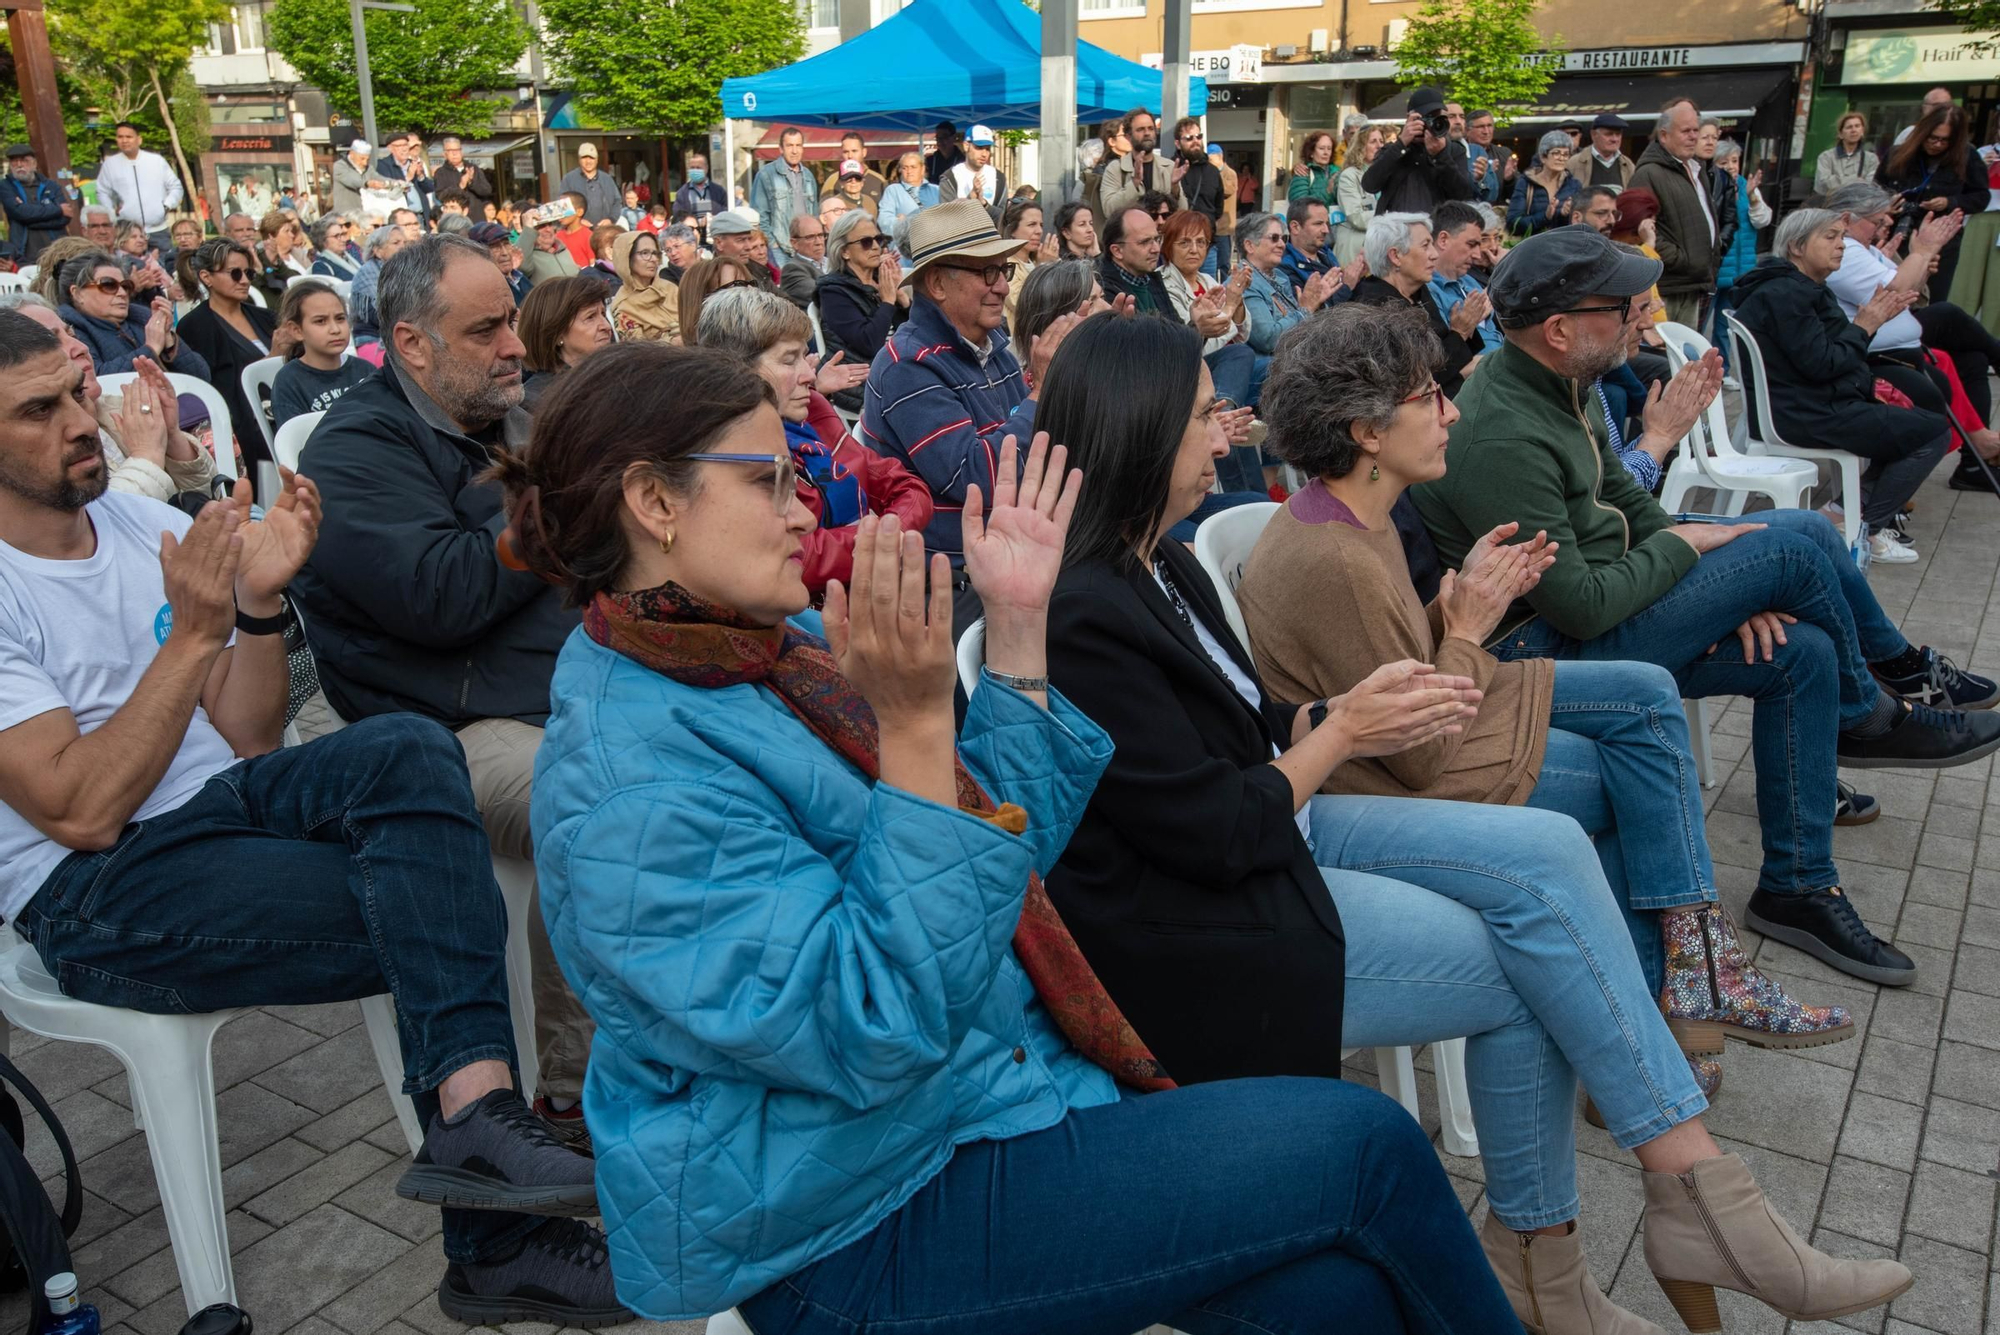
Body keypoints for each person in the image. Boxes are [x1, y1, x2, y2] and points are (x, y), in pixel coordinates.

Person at [482, 339, 1507, 1333]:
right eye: (768, 481)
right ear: (653, 501)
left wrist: (1015, 632)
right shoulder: (631, 785)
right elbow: (876, 1027)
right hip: (847, 1226)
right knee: (1368, 1147)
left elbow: (997, 868)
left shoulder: (751, 659)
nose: (806, 508)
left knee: (1345, 1299)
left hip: (964, 1115)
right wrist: (920, 730)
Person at [1033, 308, 1913, 1335]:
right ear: (1139, 433)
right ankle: (1612, 1231)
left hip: (1283, 826)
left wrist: (1333, 717)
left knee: (1553, 855)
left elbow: (1250, 727)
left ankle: (1651, 1203)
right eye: (1197, 416)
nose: (1221, 433)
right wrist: (1354, 717)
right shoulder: (1087, 604)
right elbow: (1211, 829)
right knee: (1543, 951)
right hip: (1198, 917)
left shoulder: (1163, 563)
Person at [0, 308, 622, 1329]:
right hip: (96, 890)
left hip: (221, 808)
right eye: (38, 410)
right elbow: (79, 810)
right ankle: (492, 1225)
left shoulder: (150, 527)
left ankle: (473, 1124)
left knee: (411, 746)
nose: (81, 421)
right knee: (434, 900)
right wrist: (197, 630)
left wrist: (250, 610)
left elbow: (246, 734)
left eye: (75, 395)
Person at [1239, 302, 1851, 1087]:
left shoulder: (1357, 513)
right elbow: (1417, 752)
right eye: (1430, 396)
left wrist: (1457, 610)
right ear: (1366, 430)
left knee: (1646, 691)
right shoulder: (1336, 556)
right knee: (1633, 775)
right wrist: (1467, 625)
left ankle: (1691, 978)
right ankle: (1670, 1004)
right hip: (1387, 777)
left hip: (1428, 719)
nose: (1450, 410)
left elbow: (1393, 658)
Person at [1412, 225, 2000, 988]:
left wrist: (1720, 578)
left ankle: (1797, 886)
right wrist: (1690, 553)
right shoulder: (1502, 431)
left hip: (1589, 615)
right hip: (1538, 652)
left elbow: (1624, 495)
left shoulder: (1559, 383)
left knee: (1801, 651)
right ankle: (1880, 701)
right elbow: (1584, 607)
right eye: (1620, 304)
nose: (1638, 313)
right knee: (1793, 542)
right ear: (1559, 330)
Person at [292, 236, 602, 1151]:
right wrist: (560, 500)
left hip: (553, 689)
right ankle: (575, 1099)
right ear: (412, 345)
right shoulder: (356, 444)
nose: (516, 344)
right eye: (488, 328)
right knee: (591, 803)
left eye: (513, 319)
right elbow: (440, 595)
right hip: (434, 728)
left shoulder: (505, 421)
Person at [859, 200, 1042, 630]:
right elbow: (977, 476)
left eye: (1005, 271)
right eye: (988, 272)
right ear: (938, 283)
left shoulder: (989, 339)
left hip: (1004, 555)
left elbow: (1028, 443)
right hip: (948, 586)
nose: (1001, 287)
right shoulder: (909, 363)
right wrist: (1044, 393)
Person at [1731, 209, 1950, 564]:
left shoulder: (1801, 288)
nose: (1841, 246)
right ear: (1797, 247)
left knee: (1914, 414)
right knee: (1933, 433)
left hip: (1810, 403)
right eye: (1830, 237)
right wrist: (1864, 325)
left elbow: (1827, 356)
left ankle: (1845, 513)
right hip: (1803, 413)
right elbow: (1822, 364)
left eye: (1842, 238)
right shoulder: (1787, 293)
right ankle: (1864, 527)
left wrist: (1873, 323)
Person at [695, 285, 932, 593]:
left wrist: (887, 531)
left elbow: (904, 486)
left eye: (804, 357)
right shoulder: (725, 450)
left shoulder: (811, 413)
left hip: (870, 587)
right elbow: (791, 553)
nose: (809, 375)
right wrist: (880, 540)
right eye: (789, 359)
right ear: (738, 369)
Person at [1822, 181, 2000, 494]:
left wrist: (1920, 262)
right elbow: (1899, 290)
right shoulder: (1845, 250)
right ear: (1850, 217)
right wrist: (1924, 251)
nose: (1887, 224)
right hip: (1873, 357)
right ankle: (1870, 505)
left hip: (1893, 349)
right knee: (1946, 318)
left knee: (1972, 357)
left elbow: (1910, 290)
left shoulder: (1861, 248)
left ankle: (1973, 462)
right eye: (1878, 221)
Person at [0, 293, 218, 500]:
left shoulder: (119, 407)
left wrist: (171, 437)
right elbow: (93, 522)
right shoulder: (29, 439)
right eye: (52, 342)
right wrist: (147, 455)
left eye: (72, 334)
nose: (81, 348)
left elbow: (210, 493)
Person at [1097, 205, 1262, 421]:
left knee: (1241, 357)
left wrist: (1200, 325)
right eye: (1145, 242)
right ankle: (1219, 418)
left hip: (1180, 374)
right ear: (1117, 251)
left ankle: (1221, 416)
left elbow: (1178, 339)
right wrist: (1206, 322)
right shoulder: (1103, 288)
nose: (1155, 248)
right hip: (1145, 388)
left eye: (1156, 239)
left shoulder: (1152, 281)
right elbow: (1146, 353)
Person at [1350, 213, 1483, 399]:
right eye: (1425, 245)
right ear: (1396, 256)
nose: (1434, 255)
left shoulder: (1416, 292)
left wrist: (1463, 330)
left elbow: (1442, 354)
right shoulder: (1373, 306)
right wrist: (1460, 332)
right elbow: (1415, 378)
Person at [1876, 103, 1989, 295]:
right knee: (1888, 293)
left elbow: (1981, 197)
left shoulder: (1967, 156)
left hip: (1938, 244)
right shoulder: (1898, 153)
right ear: (1922, 133)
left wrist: (1949, 202)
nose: (1937, 144)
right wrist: (1886, 203)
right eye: (1933, 138)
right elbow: (1875, 188)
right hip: (1895, 234)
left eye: (1945, 141)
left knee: (1927, 300)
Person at [1629, 98, 1720, 327]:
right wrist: (1683, 260)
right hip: (1667, 288)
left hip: (1694, 284)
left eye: (1696, 130)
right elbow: (1639, 231)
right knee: (1664, 356)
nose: (1693, 136)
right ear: (1664, 135)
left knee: (1687, 358)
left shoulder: (1696, 170)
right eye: (1685, 131)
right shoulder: (1648, 173)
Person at [56, 249, 209, 381]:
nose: (122, 293)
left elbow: (201, 377)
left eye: (125, 286)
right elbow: (96, 380)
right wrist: (150, 349)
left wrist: (168, 339)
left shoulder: (142, 318)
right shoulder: (68, 330)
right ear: (77, 293)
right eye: (108, 285)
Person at [269, 278, 369, 427]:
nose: (335, 329)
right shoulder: (289, 382)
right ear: (296, 330)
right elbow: (295, 440)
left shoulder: (365, 370)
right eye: (320, 321)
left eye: (340, 318)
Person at [1238, 210, 1340, 355]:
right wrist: (1305, 310)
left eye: (1283, 238)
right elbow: (1268, 340)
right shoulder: (1243, 283)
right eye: (1274, 238)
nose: (1282, 245)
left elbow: (1298, 324)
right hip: (1268, 368)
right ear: (1250, 246)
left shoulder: (1279, 276)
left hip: (1292, 360)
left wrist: (1316, 304)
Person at [1362, 86, 1475, 216]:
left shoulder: (1453, 150)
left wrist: (1440, 155)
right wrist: (1401, 144)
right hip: (1397, 229)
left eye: (1437, 118)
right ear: (1409, 118)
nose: (1430, 124)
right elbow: (1369, 185)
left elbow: (1463, 196)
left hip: (1436, 229)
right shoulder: (1392, 150)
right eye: (1425, 118)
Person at [817, 207, 905, 363]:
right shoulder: (833, 291)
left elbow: (918, 333)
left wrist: (902, 299)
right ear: (845, 251)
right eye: (866, 242)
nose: (876, 247)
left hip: (897, 366)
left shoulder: (883, 281)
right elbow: (868, 344)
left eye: (878, 239)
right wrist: (888, 302)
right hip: (862, 379)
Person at [517, 273, 614, 409]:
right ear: (557, 334)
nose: (606, 326)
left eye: (603, 314)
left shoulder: (615, 377)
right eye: (590, 317)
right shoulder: (536, 403)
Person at [1429, 199, 1503, 353]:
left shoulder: (1468, 280)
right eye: (1471, 244)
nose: (1477, 255)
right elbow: (1443, 364)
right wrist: (1461, 330)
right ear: (1443, 240)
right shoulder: (1428, 292)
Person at [96, 122, 182, 251]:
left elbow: (176, 187)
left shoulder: (156, 161)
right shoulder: (110, 165)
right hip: (127, 232)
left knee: (165, 266)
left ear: (139, 139)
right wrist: (111, 213)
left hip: (158, 230)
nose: (124, 140)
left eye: (129, 137)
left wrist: (166, 206)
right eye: (120, 137)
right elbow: (102, 191)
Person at [751, 128, 817, 266]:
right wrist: (772, 244)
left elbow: (814, 213)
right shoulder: (766, 175)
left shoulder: (809, 176)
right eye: (790, 145)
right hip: (780, 249)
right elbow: (759, 215)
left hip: (806, 247)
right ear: (781, 148)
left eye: (798, 145)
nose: (794, 151)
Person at [1100, 107, 1175, 221]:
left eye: (1150, 129)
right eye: (1140, 129)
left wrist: (1175, 187)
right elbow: (1109, 210)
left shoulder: (1169, 167)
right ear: (1128, 136)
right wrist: (1134, 183)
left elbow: (1182, 212)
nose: (1147, 133)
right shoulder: (1115, 168)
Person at [606, 230, 680, 344]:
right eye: (645, 253)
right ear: (627, 258)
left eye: (655, 253)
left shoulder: (670, 288)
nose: (654, 259)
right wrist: (673, 341)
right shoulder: (624, 307)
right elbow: (638, 353)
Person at [1, 144, 70, 264]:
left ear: (34, 164)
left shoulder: (51, 186)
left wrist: (29, 221)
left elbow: (65, 217)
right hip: (24, 255)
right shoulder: (6, 186)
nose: (19, 165)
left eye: (24, 160)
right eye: (14, 161)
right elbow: (20, 212)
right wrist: (57, 210)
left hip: (57, 251)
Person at [1276, 197, 1352, 301]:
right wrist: (1347, 286)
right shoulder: (1284, 267)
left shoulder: (1326, 253)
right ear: (1295, 227)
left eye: (1327, 224)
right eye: (1318, 224)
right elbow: (1313, 312)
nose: (1326, 230)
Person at [1509, 131, 1581, 237]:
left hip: (1563, 245)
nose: (1561, 158)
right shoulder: (1526, 183)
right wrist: (1545, 216)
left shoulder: (1574, 185)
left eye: (1566, 154)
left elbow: (1580, 224)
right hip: (1533, 246)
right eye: (1556, 153)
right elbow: (1513, 223)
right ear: (1543, 157)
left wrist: (1565, 215)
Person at [346, 224, 407, 344]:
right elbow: (378, 317)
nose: (403, 247)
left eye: (405, 242)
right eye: (396, 243)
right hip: (373, 338)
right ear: (378, 251)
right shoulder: (367, 273)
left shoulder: (406, 271)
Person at [1331, 122, 1381, 266]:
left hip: (1379, 248)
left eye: (1381, 141)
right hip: (1354, 250)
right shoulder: (1349, 176)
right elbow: (1357, 217)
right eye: (1373, 141)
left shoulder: (1386, 175)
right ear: (1361, 147)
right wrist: (1388, 216)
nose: (1379, 145)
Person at [939, 124, 1007, 221]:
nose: (984, 154)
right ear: (966, 146)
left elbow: (1004, 217)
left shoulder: (999, 177)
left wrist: (984, 204)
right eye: (979, 147)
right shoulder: (950, 177)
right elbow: (946, 218)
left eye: (987, 149)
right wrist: (971, 198)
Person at [707, 209, 777, 289]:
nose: (749, 247)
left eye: (749, 239)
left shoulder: (757, 271)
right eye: (741, 240)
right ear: (719, 243)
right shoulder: (706, 278)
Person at [876, 152, 936, 247]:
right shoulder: (893, 190)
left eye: (913, 167)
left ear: (922, 169)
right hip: (904, 250)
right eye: (905, 168)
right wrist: (904, 225)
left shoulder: (936, 190)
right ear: (900, 170)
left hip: (932, 245)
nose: (909, 171)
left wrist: (906, 221)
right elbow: (884, 221)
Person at [254, 209, 312, 304]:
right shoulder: (261, 258)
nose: (292, 235)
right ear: (271, 236)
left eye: (291, 230)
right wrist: (276, 262)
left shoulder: (297, 253)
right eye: (287, 231)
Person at [819, 132, 887, 212]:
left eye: (854, 151)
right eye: (846, 152)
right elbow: (825, 211)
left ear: (864, 152)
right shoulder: (832, 181)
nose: (850, 156)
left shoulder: (879, 181)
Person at [1815, 112, 1879, 196]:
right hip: (1830, 204)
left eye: (1857, 126)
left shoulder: (1871, 158)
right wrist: (1857, 180)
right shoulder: (1826, 157)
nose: (1853, 130)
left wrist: (1837, 181)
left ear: (1862, 131)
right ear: (1840, 134)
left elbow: (1871, 185)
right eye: (1849, 127)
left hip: (1859, 205)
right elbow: (1824, 183)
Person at [672, 151, 729, 244]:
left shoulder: (718, 191)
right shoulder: (682, 193)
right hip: (691, 241)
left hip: (716, 240)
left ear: (706, 168)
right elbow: (678, 218)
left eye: (698, 168)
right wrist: (696, 223)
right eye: (692, 168)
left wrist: (713, 219)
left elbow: (726, 213)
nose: (695, 170)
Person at [558, 143, 621, 226]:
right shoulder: (569, 179)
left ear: (597, 160)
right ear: (579, 159)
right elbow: (562, 204)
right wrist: (578, 221)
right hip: (579, 231)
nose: (588, 161)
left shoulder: (607, 179)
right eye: (584, 158)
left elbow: (617, 201)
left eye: (591, 158)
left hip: (603, 230)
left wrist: (611, 219)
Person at [1569, 113, 1635, 191]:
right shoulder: (1574, 163)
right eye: (1609, 134)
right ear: (1593, 134)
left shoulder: (1628, 165)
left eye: (1618, 134)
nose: (1614, 139)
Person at [779, 212, 829, 311]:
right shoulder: (792, 270)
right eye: (810, 237)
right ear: (794, 243)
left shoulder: (834, 262)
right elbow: (825, 296)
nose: (818, 242)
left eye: (820, 235)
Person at [1464, 109, 1512, 205]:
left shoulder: (1504, 153)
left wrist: (1510, 180)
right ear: (1467, 130)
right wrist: (1487, 176)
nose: (1486, 131)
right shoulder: (1459, 152)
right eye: (1481, 127)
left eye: (1489, 126)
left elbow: (1516, 193)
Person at [432, 136, 493, 208]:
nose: (455, 153)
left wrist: (471, 182)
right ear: (445, 154)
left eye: (457, 150)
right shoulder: (441, 173)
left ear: (462, 152)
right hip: (455, 216)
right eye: (450, 150)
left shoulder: (473, 168)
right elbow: (440, 197)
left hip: (476, 215)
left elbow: (487, 191)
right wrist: (460, 186)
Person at [520, 216, 581, 286]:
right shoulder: (529, 255)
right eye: (541, 226)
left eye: (550, 225)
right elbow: (523, 268)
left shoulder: (562, 249)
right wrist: (527, 230)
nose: (548, 229)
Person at [1287, 129, 1338, 211]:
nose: (1326, 152)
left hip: (1336, 222)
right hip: (1313, 222)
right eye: (1321, 148)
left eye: (1329, 149)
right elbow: (1298, 205)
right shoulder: (1303, 172)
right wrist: (1327, 192)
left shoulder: (1337, 172)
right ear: (1311, 152)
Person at [309, 215, 362, 279]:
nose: (343, 239)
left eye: (342, 234)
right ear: (322, 241)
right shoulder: (321, 266)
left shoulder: (349, 256)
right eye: (336, 236)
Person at [331, 140, 373, 216]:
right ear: (352, 154)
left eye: (367, 159)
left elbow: (379, 177)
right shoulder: (340, 166)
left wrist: (393, 183)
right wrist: (366, 183)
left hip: (365, 214)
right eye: (362, 159)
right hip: (348, 215)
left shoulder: (368, 168)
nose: (365, 163)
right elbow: (352, 181)